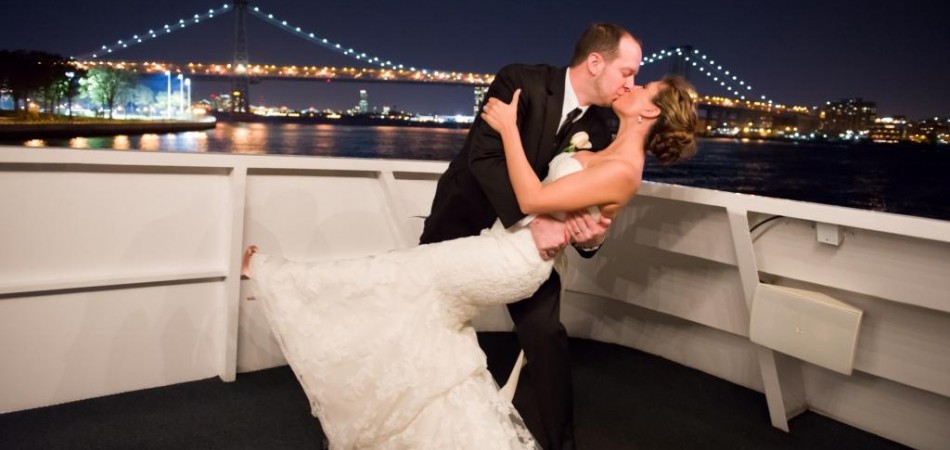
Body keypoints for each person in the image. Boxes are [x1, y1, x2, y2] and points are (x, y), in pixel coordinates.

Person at [242, 75, 698, 449]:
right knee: (437, 328)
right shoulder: (608, 150)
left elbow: (531, 196)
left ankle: (281, 281)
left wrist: (508, 130)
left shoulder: (622, 167)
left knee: (398, 274)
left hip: (512, 259)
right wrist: (592, 224)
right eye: (632, 75)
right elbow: (570, 205)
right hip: (502, 242)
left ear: (650, 111)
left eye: (644, 86)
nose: (633, 85)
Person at [419, 23, 642, 450]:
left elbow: (582, 205)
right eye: (627, 72)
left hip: (524, 251)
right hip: (462, 218)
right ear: (596, 62)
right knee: (426, 314)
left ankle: (563, 445)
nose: (630, 84)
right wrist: (533, 220)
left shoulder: (599, 131)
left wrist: (589, 237)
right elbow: (484, 159)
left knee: (546, 335)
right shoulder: (518, 81)